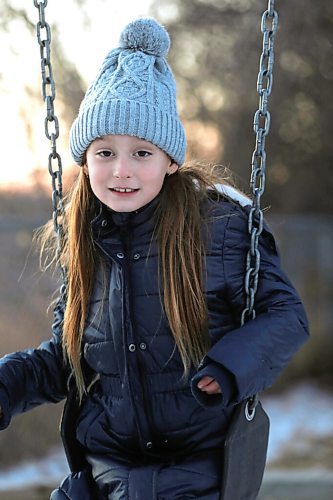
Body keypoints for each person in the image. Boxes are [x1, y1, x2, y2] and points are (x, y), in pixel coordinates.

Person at [0, 18, 309, 500]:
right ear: (86, 160)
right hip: (105, 475)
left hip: (199, 472)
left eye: (141, 152)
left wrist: (229, 370)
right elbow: (69, 360)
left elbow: (287, 316)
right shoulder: (86, 242)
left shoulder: (220, 229)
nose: (121, 171)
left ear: (170, 160)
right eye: (105, 152)